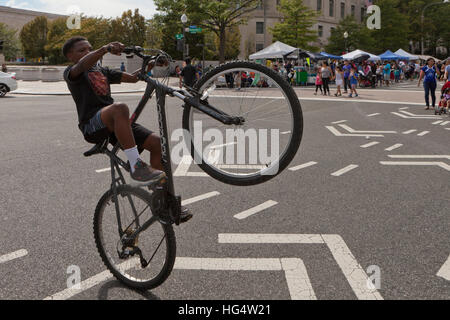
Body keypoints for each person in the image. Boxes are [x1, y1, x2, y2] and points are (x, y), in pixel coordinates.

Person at [62, 36, 192, 222]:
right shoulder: (72, 73)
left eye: (89, 48)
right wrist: (104, 49)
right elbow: (82, 65)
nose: (88, 52)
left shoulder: (102, 70)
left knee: (157, 143)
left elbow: (133, 78)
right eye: (82, 50)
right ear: (70, 56)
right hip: (92, 125)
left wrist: (152, 64)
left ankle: (161, 200)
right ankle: (136, 165)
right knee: (120, 108)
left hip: (115, 122)